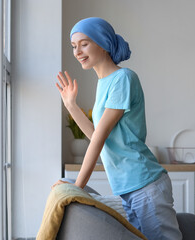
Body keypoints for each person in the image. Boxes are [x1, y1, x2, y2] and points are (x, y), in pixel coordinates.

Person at [53, 17, 182, 240]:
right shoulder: (103, 83)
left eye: (84, 43)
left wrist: (79, 187)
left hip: (145, 183)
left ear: (102, 43)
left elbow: (99, 138)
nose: (77, 51)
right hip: (128, 188)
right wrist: (71, 106)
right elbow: (97, 137)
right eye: (74, 46)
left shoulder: (123, 78)